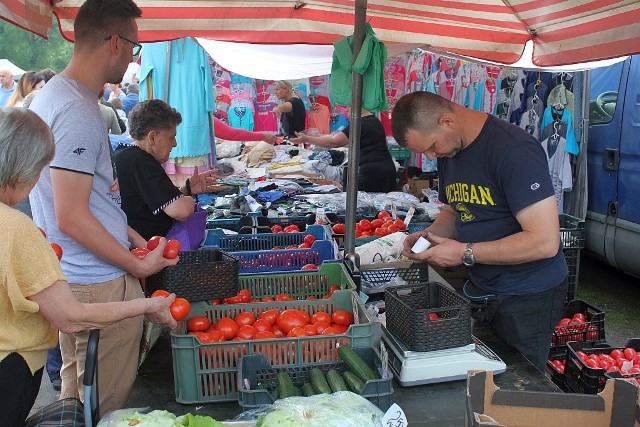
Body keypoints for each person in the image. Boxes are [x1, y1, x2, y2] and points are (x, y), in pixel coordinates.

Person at [28, 0, 177, 415]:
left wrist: (131, 237)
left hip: (77, 275)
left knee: (77, 399)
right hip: (94, 282)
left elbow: (93, 197)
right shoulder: (76, 110)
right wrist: (136, 266)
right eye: (134, 47)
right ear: (114, 42)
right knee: (102, 407)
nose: (134, 58)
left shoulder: (62, 97)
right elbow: (71, 215)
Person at [0, 107, 178, 427]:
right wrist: (147, 304)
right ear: (23, 171)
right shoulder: (14, 228)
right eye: (41, 169)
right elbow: (71, 317)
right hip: (8, 371)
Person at [392, 91, 568, 372]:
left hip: (527, 295)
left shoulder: (514, 150)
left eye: (431, 147)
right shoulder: (450, 150)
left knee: (517, 387)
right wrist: (430, 238)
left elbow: (544, 242)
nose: (430, 156)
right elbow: (454, 208)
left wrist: (464, 252)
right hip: (483, 288)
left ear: (447, 121)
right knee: (485, 379)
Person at [114, 99, 218, 240]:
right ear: (152, 138)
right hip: (146, 251)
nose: (174, 144)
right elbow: (181, 211)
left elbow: (157, 202)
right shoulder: (141, 161)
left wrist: (186, 190)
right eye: (171, 137)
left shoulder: (125, 155)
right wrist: (188, 201)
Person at [290, 109, 396, 193]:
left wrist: (306, 139)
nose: (346, 112)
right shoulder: (375, 121)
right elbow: (384, 144)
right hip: (387, 169)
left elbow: (333, 142)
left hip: (371, 172)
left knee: (363, 209)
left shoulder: (358, 124)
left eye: (347, 108)